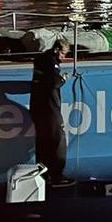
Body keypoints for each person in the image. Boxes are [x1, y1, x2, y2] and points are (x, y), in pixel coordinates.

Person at [31, 38, 74, 187]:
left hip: (38, 109)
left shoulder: (40, 60)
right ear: (56, 50)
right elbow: (54, 82)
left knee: (43, 143)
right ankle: (56, 175)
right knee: (58, 141)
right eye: (63, 54)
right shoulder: (50, 62)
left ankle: (43, 175)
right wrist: (64, 78)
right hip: (49, 109)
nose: (64, 57)